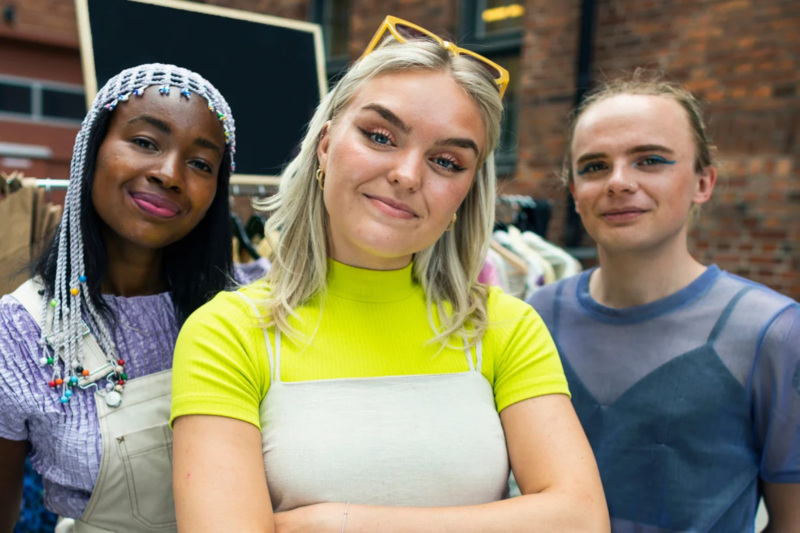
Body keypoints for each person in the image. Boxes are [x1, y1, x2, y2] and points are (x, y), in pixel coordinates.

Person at [171, 15, 609, 533]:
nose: (407, 174)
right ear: (326, 144)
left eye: (447, 161)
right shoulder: (228, 333)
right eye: (380, 136)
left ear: (466, 194)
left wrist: (340, 522)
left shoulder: (504, 328)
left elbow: (581, 520)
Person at [527, 72, 800, 532]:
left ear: (703, 183)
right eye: (594, 166)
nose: (618, 182)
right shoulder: (536, 315)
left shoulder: (772, 331)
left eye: (650, 160)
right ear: (574, 193)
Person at [0, 63, 259, 533]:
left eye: (201, 163)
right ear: (90, 148)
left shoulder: (245, 315)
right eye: (145, 142)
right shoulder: (19, 332)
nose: (169, 174)